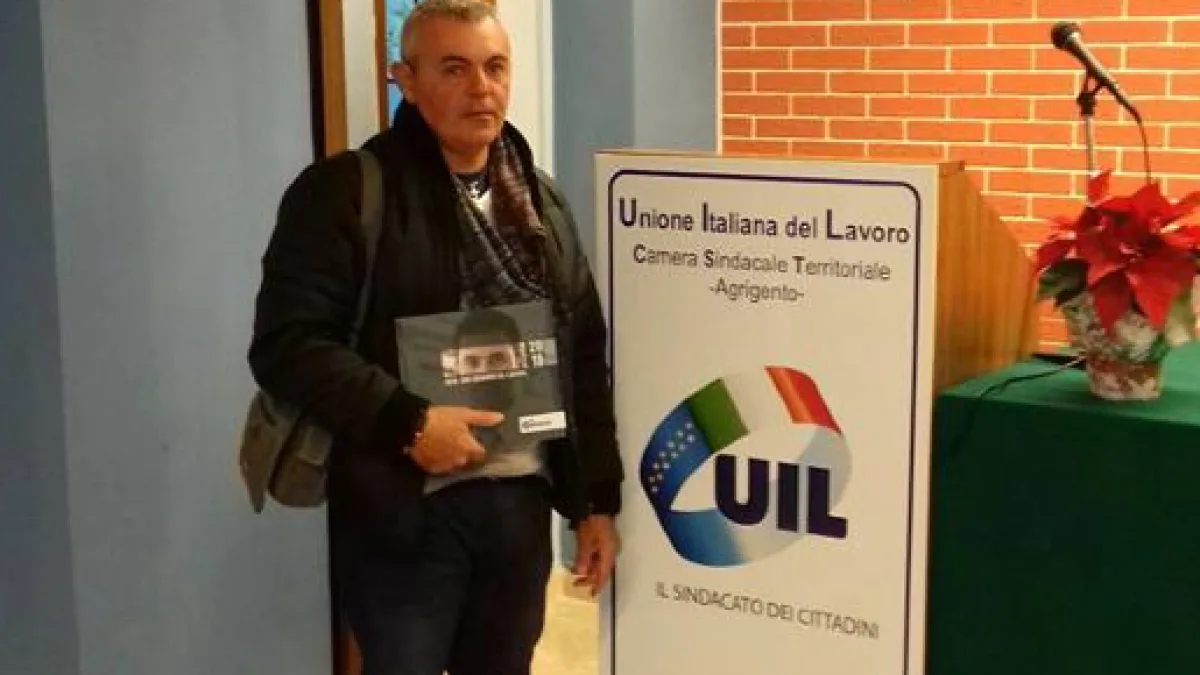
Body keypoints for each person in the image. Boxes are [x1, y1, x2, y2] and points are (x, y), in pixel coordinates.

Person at [246, 1, 623, 673]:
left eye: (495, 67)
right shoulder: (345, 193)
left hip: (518, 506)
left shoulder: (540, 201)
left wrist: (595, 501)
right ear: (406, 80)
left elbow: (582, 353)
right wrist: (411, 422)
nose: (481, 88)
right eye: (454, 69)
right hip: (402, 515)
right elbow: (289, 344)